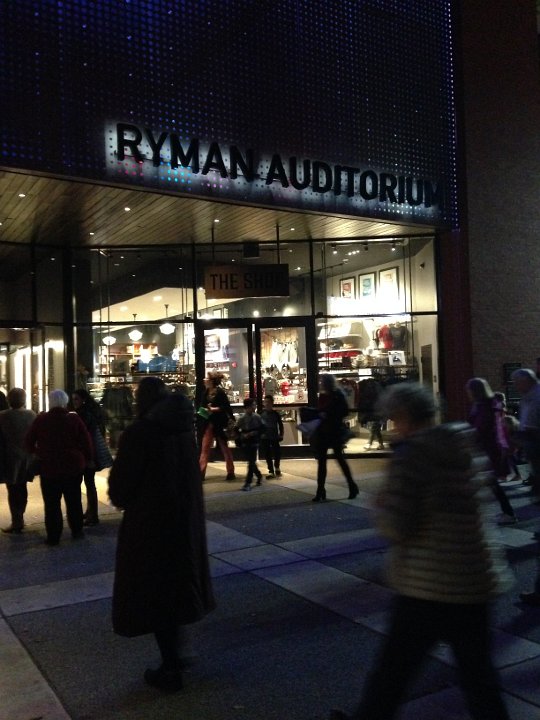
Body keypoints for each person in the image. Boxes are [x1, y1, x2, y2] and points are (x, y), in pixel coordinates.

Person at [330, 383, 513, 720]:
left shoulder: (412, 455)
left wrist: (382, 504)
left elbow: (398, 526)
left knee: (393, 672)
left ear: (403, 416)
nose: (393, 426)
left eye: (394, 418)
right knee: (479, 678)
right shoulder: (461, 442)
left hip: (428, 581)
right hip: (475, 576)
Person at [108, 377, 215, 691]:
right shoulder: (183, 431)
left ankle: (170, 667)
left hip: (150, 525)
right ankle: (177, 654)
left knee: (156, 593)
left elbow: (121, 487)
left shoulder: (140, 434)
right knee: (175, 587)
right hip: (183, 522)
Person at [24, 389, 92, 546]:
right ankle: (77, 530)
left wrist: (38, 452)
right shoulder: (74, 419)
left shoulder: (41, 419)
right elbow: (86, 441)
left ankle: (53, 535)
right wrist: (88, 459)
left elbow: (28, 441)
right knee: (74, 500)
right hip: (72, 466)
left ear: (50, 402)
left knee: (52, 504)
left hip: (49, 467)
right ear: (65, 402)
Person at [466, 377, 517, 524]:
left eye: (469, 390)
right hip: (486, 447)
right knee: (490, 482)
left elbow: (482, 428)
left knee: (490, 482)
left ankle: (508, 513)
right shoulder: (486, 405)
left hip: (487, 448)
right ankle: (507, 512)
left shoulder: (485, 407)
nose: (468, 393)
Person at [510, 368, 540, 607]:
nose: (515, 386)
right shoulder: (528, 398)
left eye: (517, 382)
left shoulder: (537, 397)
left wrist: (527, 433)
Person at [312, 374, 359, 502]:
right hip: (326, 430)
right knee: (327, 460)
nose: (321, 384)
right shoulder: (330, 395)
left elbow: (344, 411)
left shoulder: (336, 395)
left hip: (332, 430)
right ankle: (321, 489)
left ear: (326, 383)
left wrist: (327, 413)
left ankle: (349, 486)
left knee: (335, 459)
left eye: (322, 382)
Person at [0, 388, 36, 533]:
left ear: (9, 399)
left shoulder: (3, 416)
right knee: (22, 487)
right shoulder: (31, 415)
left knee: (12, 489)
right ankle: (20, 516)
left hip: (9, 457)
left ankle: (17, 520)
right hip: (27, 457)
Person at [72, 388, 107, 526]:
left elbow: (84, 436)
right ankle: (91, 512)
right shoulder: (93, 412)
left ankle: (92, 514)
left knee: (88, 483)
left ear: (83, 400)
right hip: (91, 452)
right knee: (89, 482)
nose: (74, 402)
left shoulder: (83, 415)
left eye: (76, 399)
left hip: (87, 453)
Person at [198, 372, 236, 481]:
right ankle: (200, 473)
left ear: (211, 381)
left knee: (224, 447)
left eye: (206, 378)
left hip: (219, 424)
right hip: (209, 424)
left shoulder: (220, 392)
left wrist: (213, 409)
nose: (204, 380)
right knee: (205, 448)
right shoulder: (205, 392)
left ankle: (230, 471)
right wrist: (203, 411)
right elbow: (202, 406)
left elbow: (226, 407)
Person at [235, 398, 265, 491]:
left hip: (254, 441)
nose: (254, 407)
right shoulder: (242, 418)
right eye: (253, 405)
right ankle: (259, 475)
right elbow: (236, 429)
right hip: (245, 442)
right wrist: (243, 435)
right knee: (251, 462)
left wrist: (255, 433)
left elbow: (263, 428)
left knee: (251, 462)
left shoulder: (257, 417)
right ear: (248, 407)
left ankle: (248, 482)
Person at [260, 394, 284, 479]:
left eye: (268, 402)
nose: (267, 404)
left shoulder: (275, 414)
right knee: (267, 454)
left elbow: (280, 425)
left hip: (274, 436)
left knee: (277, 452)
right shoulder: (261, 413)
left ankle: (277, 467)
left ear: (272, 403)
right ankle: (271, 470)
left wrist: (281, 434)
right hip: (265, 436)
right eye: (265, 402)